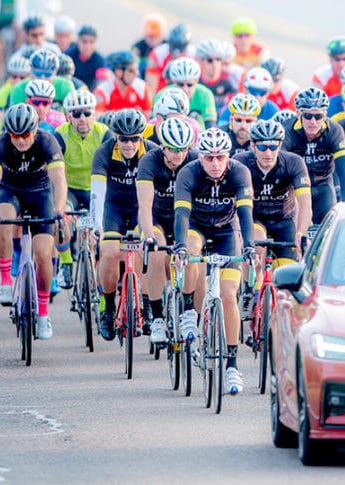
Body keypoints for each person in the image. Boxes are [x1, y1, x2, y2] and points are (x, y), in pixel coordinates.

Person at [172, 128, 256, 396]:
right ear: (200, 157)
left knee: (229, 297)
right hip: (196, 227)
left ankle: (232, 365)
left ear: (228, 156)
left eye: (220, 157)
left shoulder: (240, 172)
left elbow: (246, 214)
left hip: (226, 232)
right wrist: (180, 246)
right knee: (191, 249)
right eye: (209, 157)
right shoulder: (189, 173)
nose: (215, 163)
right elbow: (182, 215)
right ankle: (188, 309)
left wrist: (250, 246)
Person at [0, 104, 68, 339]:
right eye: (15, 135)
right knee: (4, 220)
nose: (20, 140)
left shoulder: (47, 142)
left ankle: (43, 314)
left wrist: (59, 210)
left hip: (41, 193)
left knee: (43, 254)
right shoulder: (0, 144)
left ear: (35, 130)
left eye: (25, 134)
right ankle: (5, 282)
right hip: (11, 191)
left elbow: (59, 179)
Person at [90, 109, 160, 340]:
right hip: (114, 208)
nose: (129, 144)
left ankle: (147, 305)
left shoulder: (152, 151)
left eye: (134, 139)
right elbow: (97, 192)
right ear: (115, 137)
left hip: (142, 208)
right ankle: (108, 308)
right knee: (109, 252)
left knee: (144, 251)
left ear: (141, 137)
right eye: (123, 139)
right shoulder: (104, 152)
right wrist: (96, 224)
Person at [135, 117, 198, 343]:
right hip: (158, 218)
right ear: (162, 147)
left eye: (183, 149)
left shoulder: (195, 160)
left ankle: (189, 310)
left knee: (192, 251)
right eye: (173, 149)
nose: (179, 154)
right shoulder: (149, 161)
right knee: (155, 252)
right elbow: (144, 204)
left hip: (186, 219)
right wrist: (148, 236)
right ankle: (157, 318)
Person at [234, 119, 311, 274]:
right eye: (262, 147)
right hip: (254, 219)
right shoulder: (240, 163)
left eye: (273, 147)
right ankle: (252, 288)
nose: (268, 153)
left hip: (284, 221)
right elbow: (233, 203)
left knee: (285, 273)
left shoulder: (294, 162)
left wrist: (301, 232)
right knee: (256, 249)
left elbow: (305, 203)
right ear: (252, 146)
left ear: (280, 146)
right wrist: (238, 231)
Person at [53, 90, 113, 288]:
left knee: (101, 233)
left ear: (94, 114)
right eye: (76, 114)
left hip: (95, 190)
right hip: (70, 190)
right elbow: (53, 168)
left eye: (87, 113)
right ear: (68, 116)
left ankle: (100, 277)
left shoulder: (104, 133)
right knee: (60, 220)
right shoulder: (60, 134)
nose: (82, 118)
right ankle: (66, 263)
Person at [281, 87, 345, 224]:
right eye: (308, 116)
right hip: (295, 188)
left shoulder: (334, 130)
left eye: (318, 116)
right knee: (299, 227)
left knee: (328, 225)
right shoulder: (287, 131)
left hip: (323, 186)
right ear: (298, 114)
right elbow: (280, 169)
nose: (313, 121)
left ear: (325, 115)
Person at [154, 57, 217, 129]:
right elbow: (155, 125)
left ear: (196, 81)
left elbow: (211, 126)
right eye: (180, 84)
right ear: (173, 82)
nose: (185, 89)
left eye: (190, 85)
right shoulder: (162, 95)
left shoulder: (205, 94)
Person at [8, 49, 76, 109]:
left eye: (47, 74)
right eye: (38, 74)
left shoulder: (65, 86)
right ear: (31, 71)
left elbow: (71, 114)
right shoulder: (18, 89)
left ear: (56, 72)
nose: (42, 78)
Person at [146, 22, 194, 94]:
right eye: (173, 49)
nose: (177, 54)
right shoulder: (157, 55)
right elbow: (151, 90)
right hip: (161, 93)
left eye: (180, 50)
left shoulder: (193, 55)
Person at [195, 39, 237, 114]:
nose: (215, 64)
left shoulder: (229, 80)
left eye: (218, 59)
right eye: (210, 60)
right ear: (201, 61)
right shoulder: (195, 82)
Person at [0, 0, 24, 83]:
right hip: (0, 25)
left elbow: (21, 14)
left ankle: (17, 57)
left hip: (15, 25)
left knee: (20, 37)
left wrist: (19, 25)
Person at [0, 56, 31, 133]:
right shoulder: (2, 93)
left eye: (22, 77)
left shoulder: (33, 90)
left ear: (29, 76)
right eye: (14, 77)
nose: (18, 80)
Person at [68, 24, 107, 90]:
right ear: (78, 41)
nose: (88, 46)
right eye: (84, 41)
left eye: (91, 42)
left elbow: (103, 84)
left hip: (90, 93)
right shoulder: (69, 56)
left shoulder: (99, 61)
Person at [134, 13, 168, 82]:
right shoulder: (139, 47)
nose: (153, 40)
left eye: (156, 36)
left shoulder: (167, 47)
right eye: (150, 36)